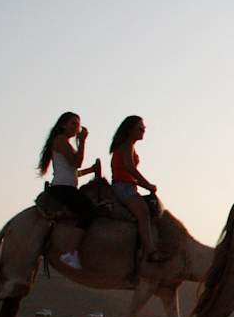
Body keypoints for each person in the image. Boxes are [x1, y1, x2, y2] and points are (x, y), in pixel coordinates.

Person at [37, 111, 100, 270]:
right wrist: (83, 142)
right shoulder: (61, 141)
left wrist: (91, 170)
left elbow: (72, 170)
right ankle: (71, 251)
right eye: (73, 123)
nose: (76, 127)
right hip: (63, 189)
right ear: (63, 125)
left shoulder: (62, 142)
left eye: (78, 124)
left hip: (65, 186)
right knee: (89, 211)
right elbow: (77, 162)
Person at [109, 116, 168, 263]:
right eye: (140, 128)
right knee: (143, 212)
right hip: (123, 186)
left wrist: (144, 185)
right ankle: (150, 251)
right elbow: (130, 169)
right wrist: (147, 185)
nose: (143, 131)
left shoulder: (128, 145)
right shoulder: (127, 145)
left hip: (127, 185)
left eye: (144, 128)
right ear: (130, 130)